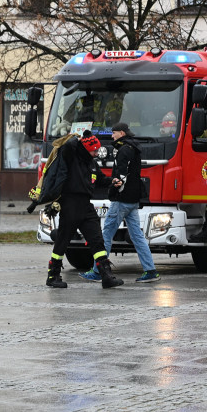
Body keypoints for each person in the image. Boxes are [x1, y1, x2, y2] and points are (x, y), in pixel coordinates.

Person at [39, 130, 123, 289]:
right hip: (70, 204)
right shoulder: (72, 156)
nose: (97, 153)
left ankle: (106, 275)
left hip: (86, 205)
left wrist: (112, 181)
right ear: (85, 148)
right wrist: (78, 137)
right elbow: (68, 146)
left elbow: (99, 179)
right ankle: (53, 275)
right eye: (94, 150)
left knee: (97, 240)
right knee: (62, 242)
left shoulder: (92, 163)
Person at [82, 122, 159, 283]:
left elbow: (121, 177)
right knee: (137, 236)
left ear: (122, 133)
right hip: (133, 199)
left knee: (106, 235)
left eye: (114, 133)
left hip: (122, 200)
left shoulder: (124, 150)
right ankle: (150, 270)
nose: (112, 136)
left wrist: (114, 188)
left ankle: (98, 271)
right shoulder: (135, 148)